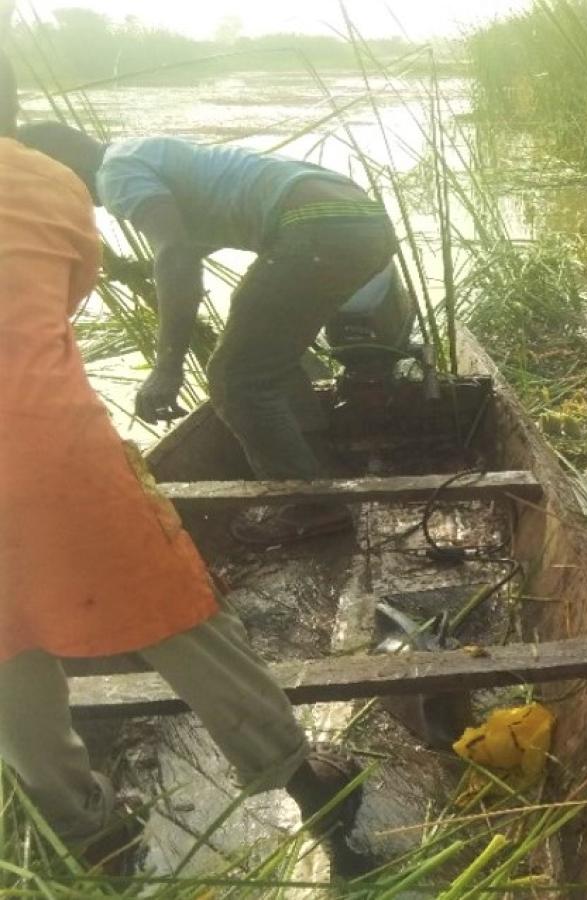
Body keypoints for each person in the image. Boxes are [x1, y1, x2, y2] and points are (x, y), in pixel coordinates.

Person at [0, 50, 362, 870]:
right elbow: (61, 298)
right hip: (48, 445)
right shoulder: (53, 181)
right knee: (179, 612)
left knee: (8, 647)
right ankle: (302, 777)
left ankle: (81, 830)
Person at [16, 120, 415, 545]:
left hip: (314, 226)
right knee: (267, 354)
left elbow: (176, 253)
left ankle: (313, 507)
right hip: (365, 221)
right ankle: (315, 459)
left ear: (60, 165)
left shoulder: (114, 172)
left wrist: (168, 367)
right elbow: (192, 238)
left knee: (236, 379)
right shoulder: (141, 150)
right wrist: (162, 264)